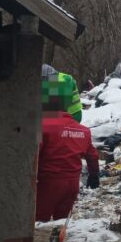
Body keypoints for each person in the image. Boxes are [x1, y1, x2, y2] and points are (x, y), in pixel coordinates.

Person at [36, 91, 99, 222]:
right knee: (62, 221)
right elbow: (92, 155)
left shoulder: (44, 126)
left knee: (39, 221)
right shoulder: (83, 130)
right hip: (72, 184)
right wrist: (94, 175)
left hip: (49, 183)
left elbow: (34, 154)